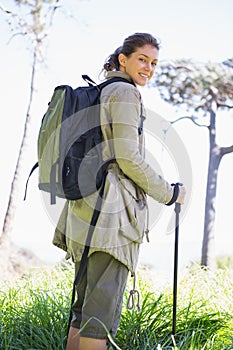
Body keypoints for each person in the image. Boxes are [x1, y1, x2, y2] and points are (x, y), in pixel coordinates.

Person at [53, 32, 186, 350]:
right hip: (111, 221)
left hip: (84, 213)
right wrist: (168, 193)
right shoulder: (125, 94)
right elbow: (128, 157)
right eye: (143, 59)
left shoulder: (101, 92)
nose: (149, 68)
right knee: (99, 320)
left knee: (82, 313)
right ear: (123, 59)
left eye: (154, 63)